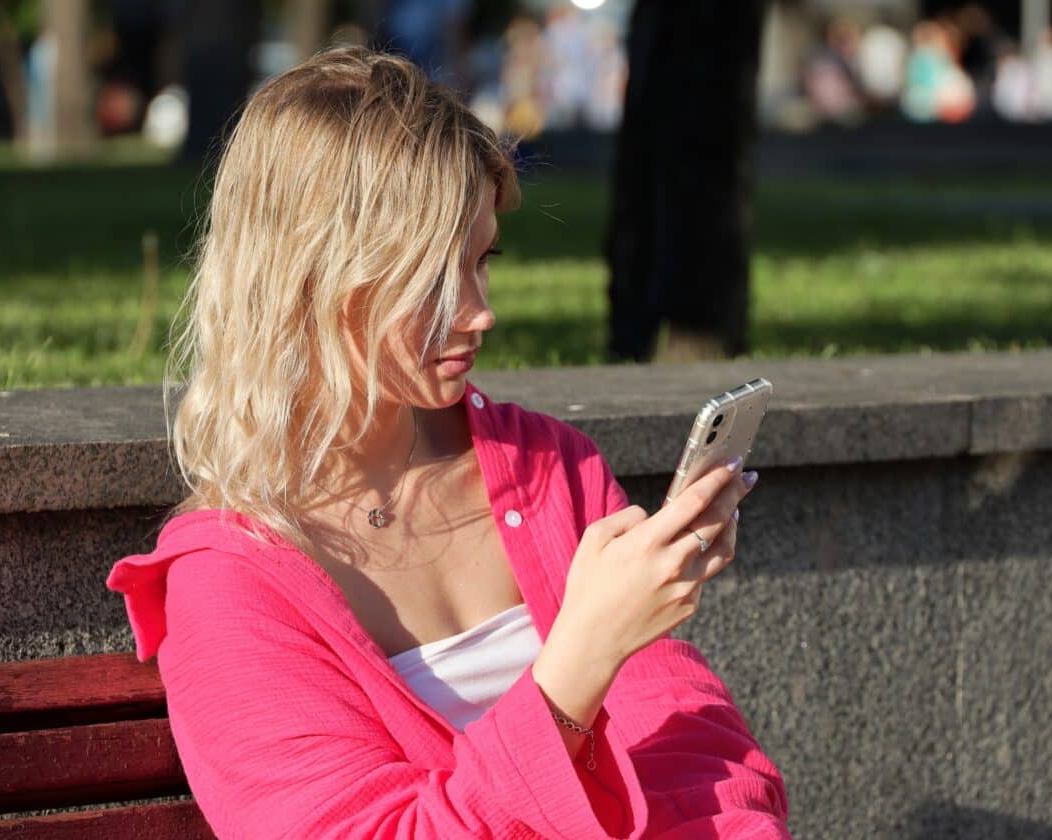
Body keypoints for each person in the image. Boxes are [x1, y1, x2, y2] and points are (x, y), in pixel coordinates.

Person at [106, 44, 788, 839]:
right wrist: (579, 662)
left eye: (482, 260)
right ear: (312, 281)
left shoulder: (547, 468)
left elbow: (693, 737)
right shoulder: (229, 586)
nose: (479, 310)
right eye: (433, 277)